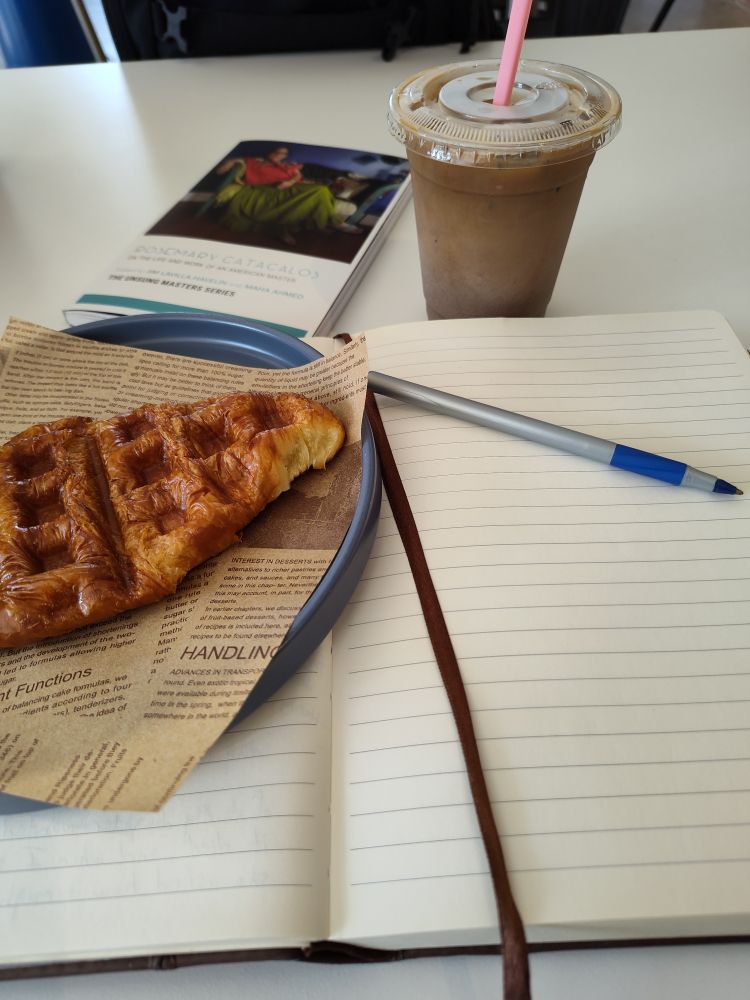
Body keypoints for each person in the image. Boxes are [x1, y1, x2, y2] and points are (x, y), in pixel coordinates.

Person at [213, 147, 360, 246]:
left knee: (321, 189)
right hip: (263, 190)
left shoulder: (287, 165)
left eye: (283, 154)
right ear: (269, 152)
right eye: (277, 152)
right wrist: (233, 160)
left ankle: (330, 221)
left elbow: (298, 176)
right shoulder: (252, 161)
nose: (280, 155)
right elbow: (219, 172)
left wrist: (290, 181)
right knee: (320, 191)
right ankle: (332, 222)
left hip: (289, 187)